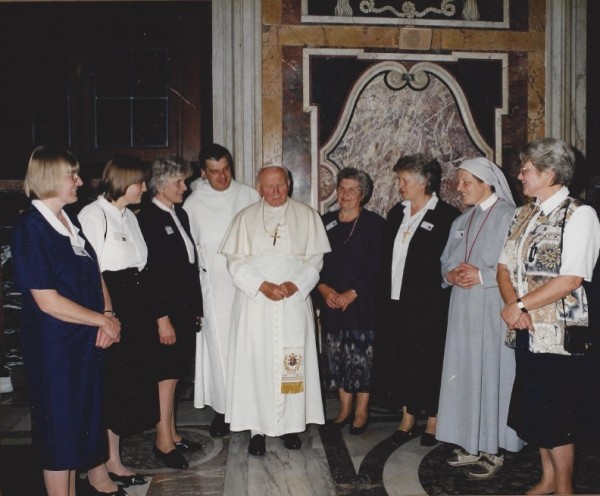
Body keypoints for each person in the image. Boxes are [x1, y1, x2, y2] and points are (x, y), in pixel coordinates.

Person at [11, 146, 123, 496]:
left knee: (80, 423)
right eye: (71, 175)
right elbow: (47, 301)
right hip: (55, 346)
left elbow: (94, 273)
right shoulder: (31, 228)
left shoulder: (68, 221)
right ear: (48, 179)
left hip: (83, 340)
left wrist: (107, 315)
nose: (79, 181)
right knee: (59, 428)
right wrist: (101, 322)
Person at [497, 138, 600, 495]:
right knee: (536, 411)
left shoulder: (579, 214)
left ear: (550, 173)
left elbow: (571, 278)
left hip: (561, 336)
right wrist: (515, 308)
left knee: (557, 416)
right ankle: (548, 479)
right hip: (525, 330)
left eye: (526, 169)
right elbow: (503, 268)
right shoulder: (523, 212)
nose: (520, 175)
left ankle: (565, 489)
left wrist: (520, 305)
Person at [220, 165, 331, 456]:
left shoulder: (307, 216)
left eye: (280, 185)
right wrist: (262, 286)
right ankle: (258, 428)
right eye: (269, 187)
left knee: (291, 363)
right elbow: (234, 263)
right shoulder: (245, 219)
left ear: (289, 184)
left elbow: (315, 259)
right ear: (259, 188)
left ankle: (291, 426)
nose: (275, 192)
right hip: (257, 304)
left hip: (293, 303)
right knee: (257, 364)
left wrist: (296, 284)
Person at [436, 157, 524, 478]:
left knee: (492, 373)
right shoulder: (460, 221)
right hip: (461, 310)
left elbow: (518, 268)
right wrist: (451, 274)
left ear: (486, 183)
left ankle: (493, 447)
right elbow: (445, 261)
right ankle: (470, 442)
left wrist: (483, 275)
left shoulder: (511, 216)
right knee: (466, 373)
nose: (458, 189)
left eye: (465, 182)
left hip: (492, 308)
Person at [78, 156, 158, 488]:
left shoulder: (129, 216)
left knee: (124, 390)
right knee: (108, 390)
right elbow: (89, 270)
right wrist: (105, 317)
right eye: (140, 182)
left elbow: (139, 265)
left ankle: (114, 460)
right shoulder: (94, 215)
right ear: (125, 182)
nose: (145, 187)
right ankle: (100, 464)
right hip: (110, 308)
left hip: (134, 309)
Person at [373, 153, 459, 447]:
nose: (400, 185)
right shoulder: (397, 213)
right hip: (396, 301)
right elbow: (387, 258)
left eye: (404, 180)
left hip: (428, 306)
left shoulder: (446, 216)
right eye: (399, 179)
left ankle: (434, 421)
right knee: (404, 360)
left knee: (428, 360)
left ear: (424, 183)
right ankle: (408, 418)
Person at [183, 143, 259, 438]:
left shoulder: (248, 195)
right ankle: (224, 410)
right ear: (204, 172)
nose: (223, 176)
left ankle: (253, 407)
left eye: (226, 169)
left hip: (249, 282)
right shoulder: (193, 203)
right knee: (219, 349)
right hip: (213, 286)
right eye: (215, 172)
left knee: (249, 344)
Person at [137, 156, 203, 470]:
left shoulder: (180, 215)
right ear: (160, 185)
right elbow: (150, 275)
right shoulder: (147, 217)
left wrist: (196, 309)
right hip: (164, 313)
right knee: (165, 375)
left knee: (175, 373)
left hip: (182, 309)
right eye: (179, 182)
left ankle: (173, 433)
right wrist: (161, 317)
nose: (184, 187)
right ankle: (163, 441)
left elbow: (190, 268)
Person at [316, 168, 384, 435]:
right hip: (331, 300)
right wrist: (322, 289)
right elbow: (313, 261)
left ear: (363, 194)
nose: (345, 194)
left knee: (361, 355)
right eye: (342, 188)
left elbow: (378, 266)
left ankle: (361, 411)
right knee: (337, 354)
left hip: (362, 302)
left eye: (352, 189)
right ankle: (344, 408)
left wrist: (353, 292)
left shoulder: (375, 225)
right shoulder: (325, 222)